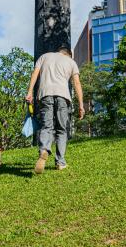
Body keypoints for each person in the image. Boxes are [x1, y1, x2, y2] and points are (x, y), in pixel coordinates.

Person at [25, 45, 85, 173]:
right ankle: (60, 162)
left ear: (59, 51)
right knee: (62, 129)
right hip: (63, 96)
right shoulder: (71, 62)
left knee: (47, 126)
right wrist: (81, 105)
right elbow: (77, 83)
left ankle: (44, 150)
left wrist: (29, 92)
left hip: (45, 94)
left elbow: (35, 73)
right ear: (68, 54)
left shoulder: (44, 57)